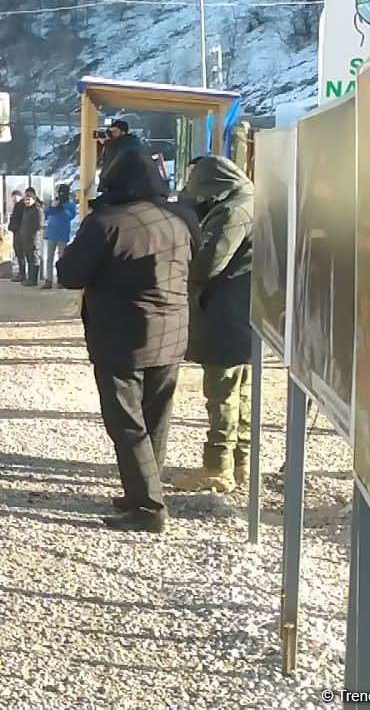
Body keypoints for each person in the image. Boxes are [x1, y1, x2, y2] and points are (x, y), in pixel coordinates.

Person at [57, 148, 199, 534]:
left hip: (121, 336)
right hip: (171, 333)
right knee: (156, 419)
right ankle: (141, 493)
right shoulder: (182, 218)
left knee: (126, 423)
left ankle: (149, 507)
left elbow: (69, 274)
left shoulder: (106, 222)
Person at [169, 155, 256, 494]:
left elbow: (208, 264)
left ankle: (217, 468)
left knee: (221, 395)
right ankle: (240, 463)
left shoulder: (233, 212)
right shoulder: (250, 201)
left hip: (226, 314)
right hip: (242, 314)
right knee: (240, 394)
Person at [42, 184, 77, 290]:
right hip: (52, 232)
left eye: (63, 192)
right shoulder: (55, 201)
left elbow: (70, 216)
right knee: (49, 258)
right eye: (59, 192)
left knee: (62, 258)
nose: (61, 194)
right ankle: (48, 280)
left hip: (63, 233)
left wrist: (61, 208)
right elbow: (46, 212)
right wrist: (52, 206)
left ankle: (61, 280)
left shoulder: (70, 204)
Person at [14, 190, 44, 288]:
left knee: (33, 258)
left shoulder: (37, 210)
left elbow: (39, 225)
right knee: (29, 258)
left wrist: (32, 233)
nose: (27, 201)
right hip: (25, 238)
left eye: (29, 200)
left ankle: (33, 279)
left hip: (33, 239)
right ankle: (30, 278)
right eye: (26, 200)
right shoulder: (27, 209)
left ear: (33, 200)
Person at [7, 190, 28, 281]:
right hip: (16, 231)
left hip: (20, 232)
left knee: (21, 253)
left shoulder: (22, 205)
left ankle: (22, 274)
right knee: (18, 253)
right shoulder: (17, 205)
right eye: (13, 197)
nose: (14, 198)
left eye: (16, 196)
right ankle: (21, 273)